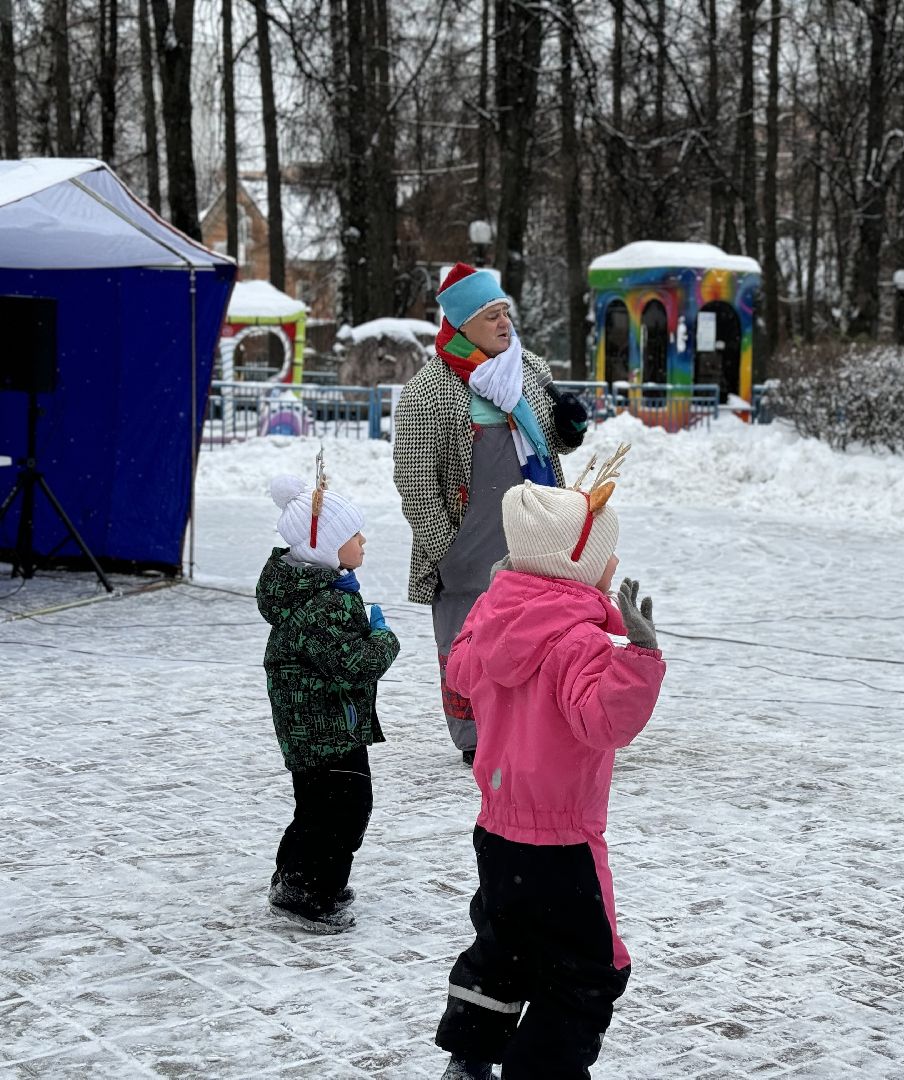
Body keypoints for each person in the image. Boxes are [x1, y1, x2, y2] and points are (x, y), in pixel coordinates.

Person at [434, 445, 666, 1080]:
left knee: (504, 946)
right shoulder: (580, 640)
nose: (612, 567)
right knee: (589, 972)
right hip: (563, 840)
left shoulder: (494, 613)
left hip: (497, 830)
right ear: (577, 567)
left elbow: (458, 680)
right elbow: (605, 721)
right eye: (604, 559)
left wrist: (484, 619)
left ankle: (471, 1054)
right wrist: (637, 663)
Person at [393, 263, 589, 766]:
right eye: (490, 315)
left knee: (539, 632)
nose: (504, 324)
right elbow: (414, 482)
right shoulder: (429, 390)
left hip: (535, 534)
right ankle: (475, 737)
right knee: (468, 642)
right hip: (468, 541)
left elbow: (551, 445)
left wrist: (571, 425)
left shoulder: (530, 369)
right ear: (462, 325)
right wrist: (447, 552)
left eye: (505, 312)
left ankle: (536, 724)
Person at [258, 469, 400, 934]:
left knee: (316, 808)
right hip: (328, 728)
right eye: (353, 534)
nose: (364, 540)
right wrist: (383, 639)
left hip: (310, 726)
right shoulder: (325, 603)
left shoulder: (310, 590)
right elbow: (351, 665)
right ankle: (310, 893)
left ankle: (296, 879)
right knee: (345, 808)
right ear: (323, 547)